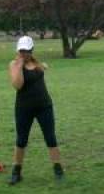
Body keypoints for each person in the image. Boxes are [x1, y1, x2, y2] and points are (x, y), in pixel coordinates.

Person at [8, 36, 64, 185]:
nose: (24, 53)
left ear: (32, 50)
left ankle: (58, 170)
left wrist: (43, 66)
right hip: (24, 108)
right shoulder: (14, 64)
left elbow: (41, 69)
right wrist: (20, 66)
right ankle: (16, 172)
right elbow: (17, 85)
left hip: (44, 106)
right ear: (18, 50)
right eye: (22, 50)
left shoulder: (35, 62)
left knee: (50, 138)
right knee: (21, 140)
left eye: (27, 50)